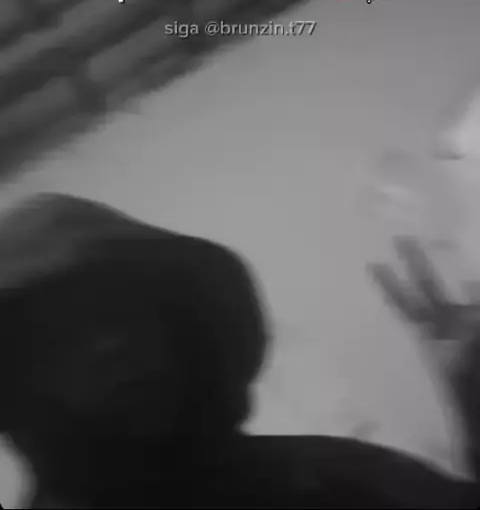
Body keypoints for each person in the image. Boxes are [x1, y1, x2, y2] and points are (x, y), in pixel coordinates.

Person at [0, 194, 478, 508]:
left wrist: (473, 387)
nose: (110, 344)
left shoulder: (331, 479)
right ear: (19, 380)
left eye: (121, 310)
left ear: (181, 324)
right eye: (60, 333)